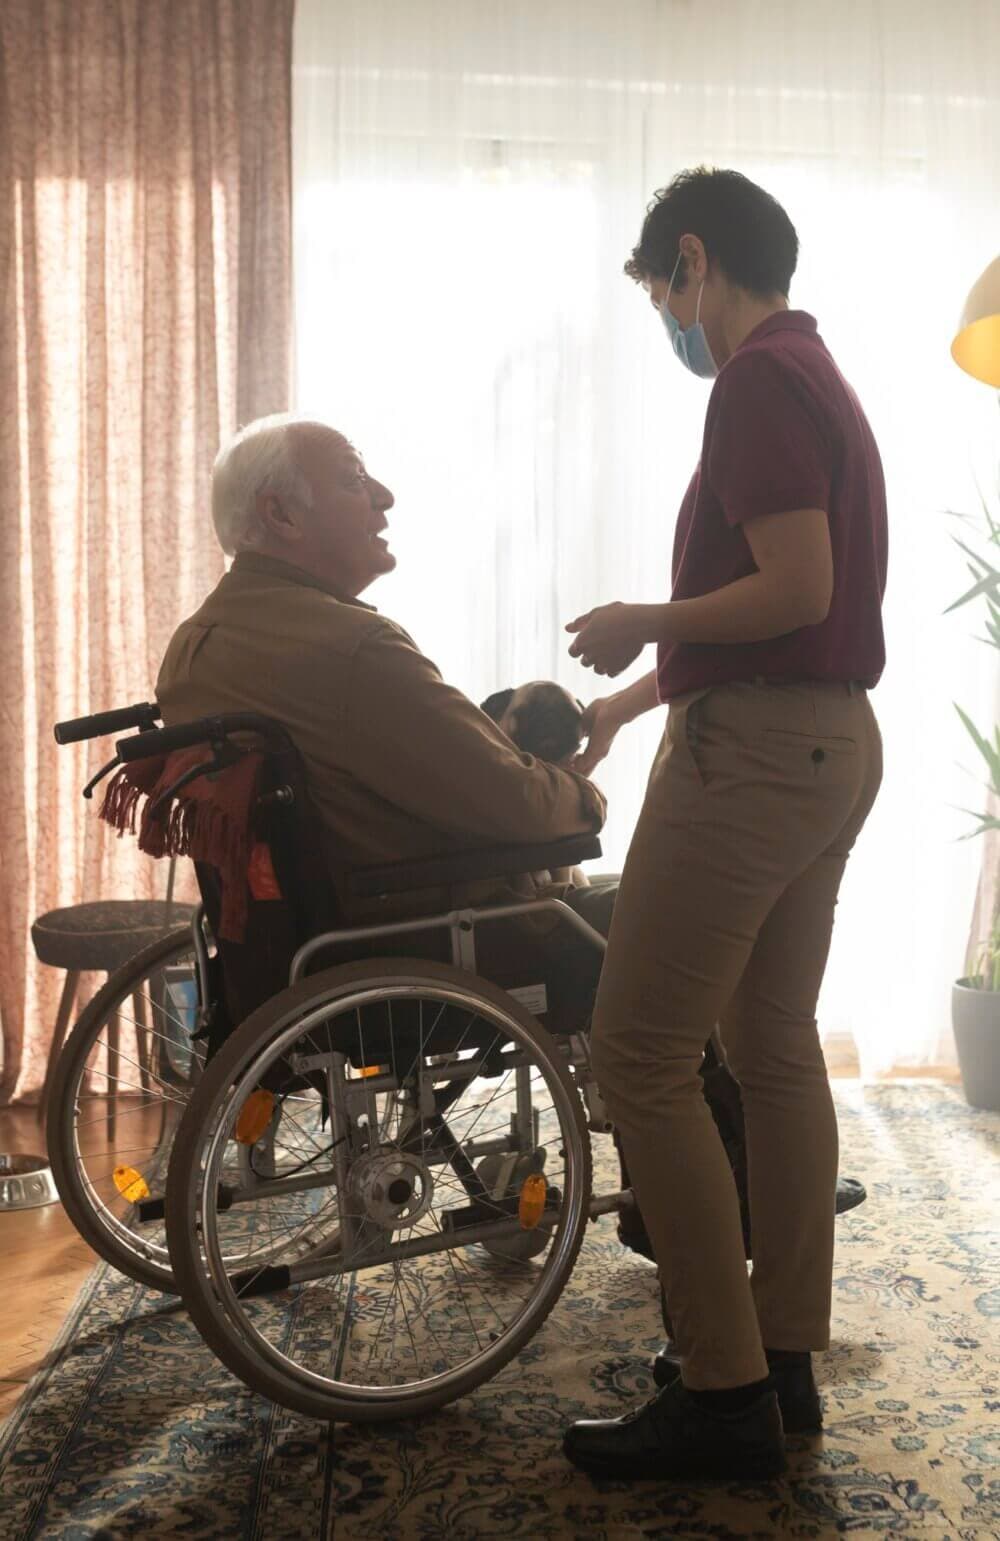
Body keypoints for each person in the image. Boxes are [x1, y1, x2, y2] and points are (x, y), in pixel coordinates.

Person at [562, 168, 887, 1482]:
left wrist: (647, 620)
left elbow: (790, 585)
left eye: (663, 298)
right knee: (769, 1043)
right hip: (825, 739)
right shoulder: (819, 376)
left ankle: (723, 1385)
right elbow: (800, 610)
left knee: (637, 1051)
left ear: (694, 261)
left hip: (755, 754)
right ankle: (782, 1353)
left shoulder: (757, 379)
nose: (671, 328)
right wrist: (641, 697)